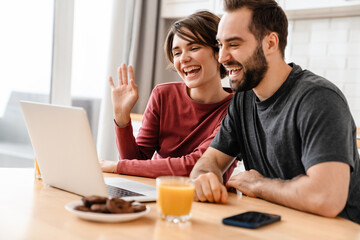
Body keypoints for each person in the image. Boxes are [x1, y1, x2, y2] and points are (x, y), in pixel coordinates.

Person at [190, 0, 360, 224]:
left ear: (270, 43)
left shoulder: (319, 98)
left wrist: (258, 185)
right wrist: (203, 178)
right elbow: (208, 162)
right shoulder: (243, 99)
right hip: (279, 225)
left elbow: (326, 198)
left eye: (234, 44)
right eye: (220, 45)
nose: (221, 57)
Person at [100, 11, 236, 181]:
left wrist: (117, 166)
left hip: (204, 200)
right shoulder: (163, 95)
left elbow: (197, 166)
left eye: (194, 48)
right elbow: (135, 162)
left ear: (218, 52)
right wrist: (121, 117)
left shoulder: (236, 108)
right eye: (177, 53)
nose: (183, 59)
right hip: (156, 190)